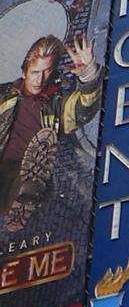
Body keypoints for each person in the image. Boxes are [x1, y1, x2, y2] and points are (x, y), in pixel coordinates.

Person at [0, 33, 103, 231]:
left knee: (23, 182)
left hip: (29, 168)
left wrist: (88, 74)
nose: (40, 79)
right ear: (24, 72)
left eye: (47, 72)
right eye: (35, 72)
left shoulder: (56, 103)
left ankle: (28, 194)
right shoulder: (5, 95)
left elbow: (83, 108)